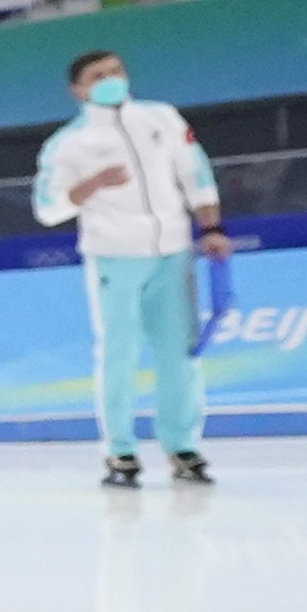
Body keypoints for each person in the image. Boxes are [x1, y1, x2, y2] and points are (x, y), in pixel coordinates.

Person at [34, 46, 225, 486]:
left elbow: (195, 172)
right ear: (78, 90)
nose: (111, 79)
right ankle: (120, 451)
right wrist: (92, 184)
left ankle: (182, 445)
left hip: (173, 252)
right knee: (118, 356)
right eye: (99, 75)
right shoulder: (68, 144)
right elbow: (48, 208)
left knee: (179, 355)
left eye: (116, 70)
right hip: (114, 257)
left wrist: (211, 227)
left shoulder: (161, 118)